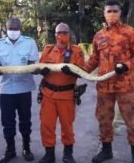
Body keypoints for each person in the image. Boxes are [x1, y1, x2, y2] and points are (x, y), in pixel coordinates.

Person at [85, 0, 134, 163]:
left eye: (115, 11)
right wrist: (79, 71)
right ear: (104, 14)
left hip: (125, 86)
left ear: (120, 13)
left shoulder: (130, 32)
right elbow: (94, 59)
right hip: (104, 86)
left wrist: (126, 65)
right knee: (104, 119)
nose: (111, 14)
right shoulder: (98, 36)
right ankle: (106, 151)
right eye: (108, 11)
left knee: (131, 121)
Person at [0, 18, 39, 163]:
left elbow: (32, 64)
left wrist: (34, 69)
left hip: (24, 89)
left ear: (21, 28)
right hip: (5, 90)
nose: (13, 31)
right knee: (7, 122)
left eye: (16, 28)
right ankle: (10, 150)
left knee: (25, 120)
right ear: (6, 29)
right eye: (10, 28)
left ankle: (26, 148)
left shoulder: (29, 42)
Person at [35, 23, 85, 163]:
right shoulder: (48, 50)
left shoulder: (76, 51)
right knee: (46, 126)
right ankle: (49, 154)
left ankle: (68, 155)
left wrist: (73, 70)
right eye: (58, 32)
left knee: (67, 127)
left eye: (64, 32)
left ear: (69, 34)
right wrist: (41, 71)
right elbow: (39, 67)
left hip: (66, 96)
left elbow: (84, 71)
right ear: (55, 34)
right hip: (48, 95)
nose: (61, 35)